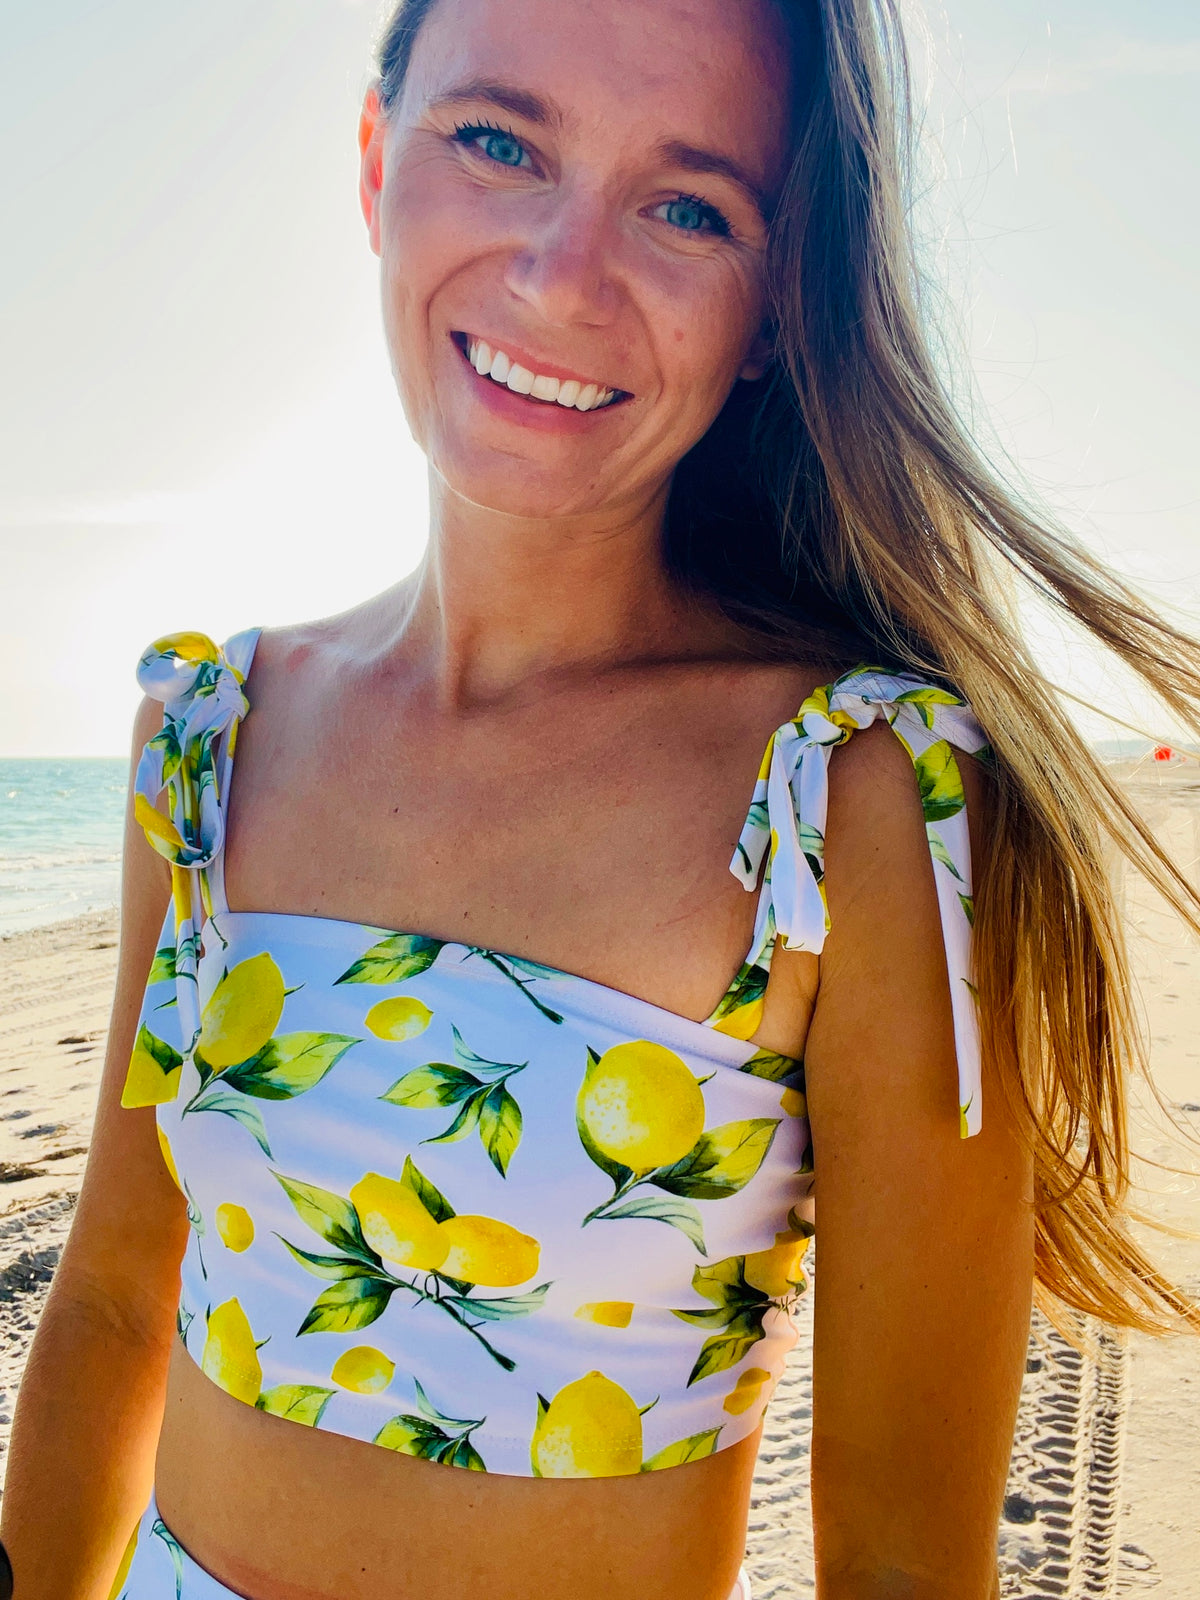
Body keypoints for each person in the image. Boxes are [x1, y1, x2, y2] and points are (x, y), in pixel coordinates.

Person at [5, 0, 1198, 1596]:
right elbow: (105, 1305)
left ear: (776, 304)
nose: (566, 278)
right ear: (375, 161)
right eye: (499, 142)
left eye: (687, 207)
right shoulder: (208, 739)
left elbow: (908, 1561)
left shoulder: (858, 800)